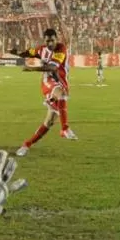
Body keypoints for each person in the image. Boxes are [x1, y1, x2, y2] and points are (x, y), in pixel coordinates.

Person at [11, 28, 77, 156]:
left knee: (49, 122)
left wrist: (32, 69)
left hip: (61, 83)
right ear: (44, 41)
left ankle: (26, 145)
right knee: (61, 94)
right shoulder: (40, 49)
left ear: (56, 39)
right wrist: (17, 53)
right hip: (48, 83)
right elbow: (28, 53)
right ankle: (65, 129)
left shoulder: (61, 48)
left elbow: (52, 67)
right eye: (47, 41)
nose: (50, 44)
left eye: (52, 40)